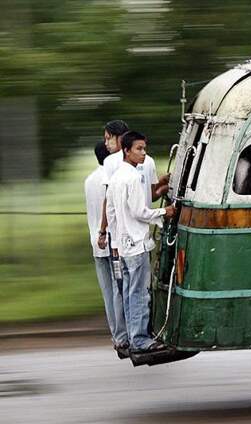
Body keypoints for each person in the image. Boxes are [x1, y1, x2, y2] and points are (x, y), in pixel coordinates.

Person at [106, 131, 175, 354]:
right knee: (139, 294)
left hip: (124, 246)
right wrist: (166, 211)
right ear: (126, 150)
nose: (143, 153)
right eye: (138, 149)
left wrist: (115, 242)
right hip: (136, 244)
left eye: (144, 148)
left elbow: (111, 212)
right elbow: (139, 211)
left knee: (128, 293)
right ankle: (140, 339)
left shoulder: (116, 177)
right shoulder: (133, 177)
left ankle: (133, 335)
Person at [84, 141, 128, 356]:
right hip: (111, 242)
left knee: (107, 293)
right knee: (119, 289)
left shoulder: (89, 180)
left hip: (95, 243)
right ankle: (123, 336)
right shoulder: (111, 178)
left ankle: (116, 335)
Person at [97, 120, 169, 250]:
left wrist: (103, 231)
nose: (106, 143)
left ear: (120, 138)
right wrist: (163, 188)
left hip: (123, 235)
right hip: (143, 233)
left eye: (109, 138)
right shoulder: (149, 160)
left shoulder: (110, 162)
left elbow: (109, 201)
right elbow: (151, 196)